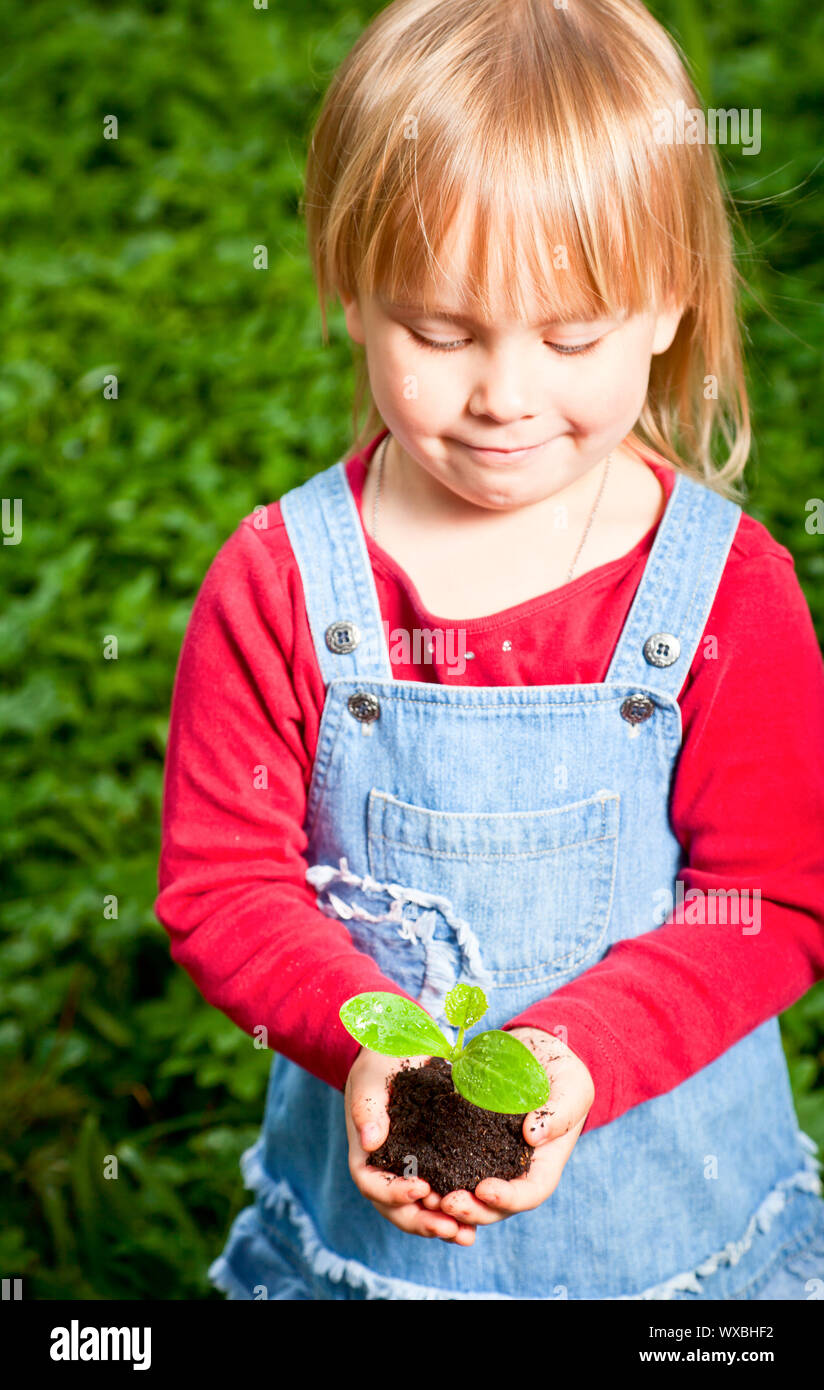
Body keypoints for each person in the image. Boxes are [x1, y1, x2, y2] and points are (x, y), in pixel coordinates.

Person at [154, 0, 824, 1299]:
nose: (505, 392)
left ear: (670, 300)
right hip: (369, 1250)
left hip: (679, 1242)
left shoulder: (723, 590)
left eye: (571, 336)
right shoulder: (281, 583)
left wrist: (581, 1053)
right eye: (442, 331)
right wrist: (364, 1044)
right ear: (349, 290)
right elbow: (223, 888)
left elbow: (777, 895)